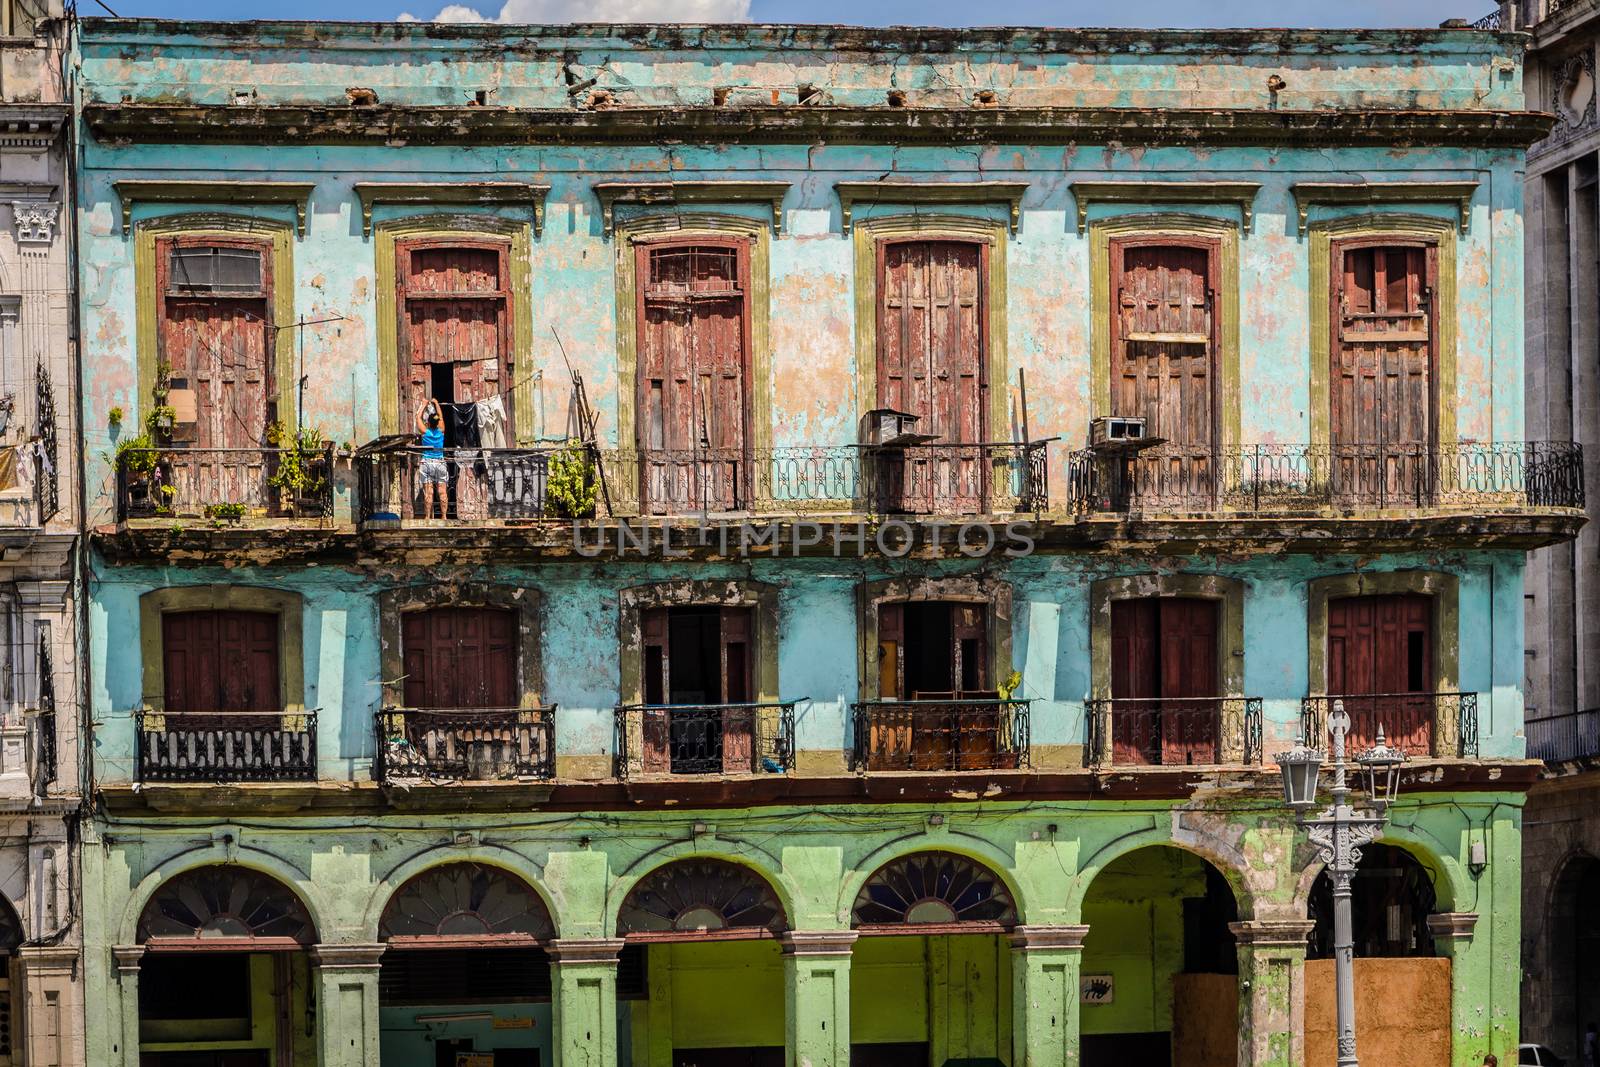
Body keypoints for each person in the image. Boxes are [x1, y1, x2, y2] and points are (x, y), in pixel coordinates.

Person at [414, 397, 448, 519]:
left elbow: (417, 417)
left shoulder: (425, 432)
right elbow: (441, 416)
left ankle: (428, 516)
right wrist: (436, 403)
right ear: (437, 422)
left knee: (429, 492)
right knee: (442, 491)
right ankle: (444, 516)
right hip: (440, 462)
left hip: (427, 463)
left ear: (428, 423)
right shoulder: (441, 431)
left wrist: (423, 405)